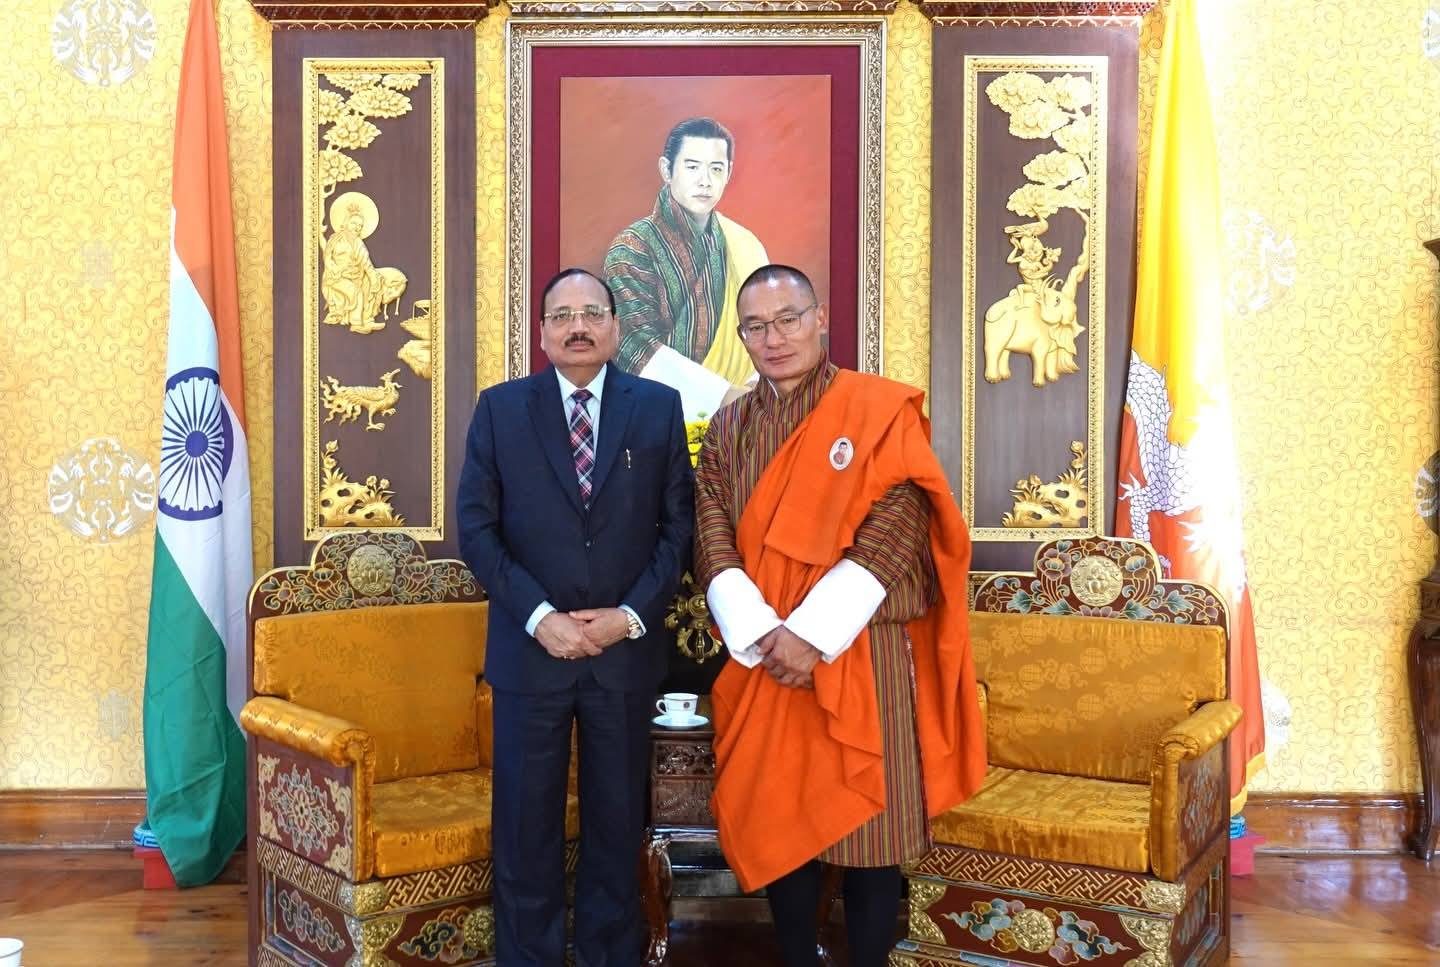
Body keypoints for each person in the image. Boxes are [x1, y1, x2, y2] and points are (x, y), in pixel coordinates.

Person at [694, 265, 988, 966]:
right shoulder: (729, 427)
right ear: (742, 336)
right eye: (756, 327)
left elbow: (901, 521)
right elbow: (710, 525)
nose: (774, 338)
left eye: (788, 319)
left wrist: (812, 633)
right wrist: (764, 631)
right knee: (783, 812)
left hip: (862, 646)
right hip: (766, 651)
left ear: (820, 318)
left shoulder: (875, 409)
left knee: (871, 830)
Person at [458, 268, 694, 966]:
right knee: (525, 829)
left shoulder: (657, 408)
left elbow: (678, 529)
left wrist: (628, 616)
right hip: (530, 653)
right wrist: (540, 617)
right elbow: (477, 529)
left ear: (616, 327)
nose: (578, 326)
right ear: (542, 333)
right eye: (562, 315)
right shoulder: (501, 409)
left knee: (616, 826)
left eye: (593, 312)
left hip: (623, 654)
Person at [604, 117, 769, 422]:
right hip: (654, 417)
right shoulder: (632, 246)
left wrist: (753, 391)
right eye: (692, 167)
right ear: (667, 170)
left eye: (716, 169)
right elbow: (632, 343)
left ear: (729, 172)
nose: (705, 181)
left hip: (746, 417)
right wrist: (723, 396)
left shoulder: (745, 244)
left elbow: (767, 328)